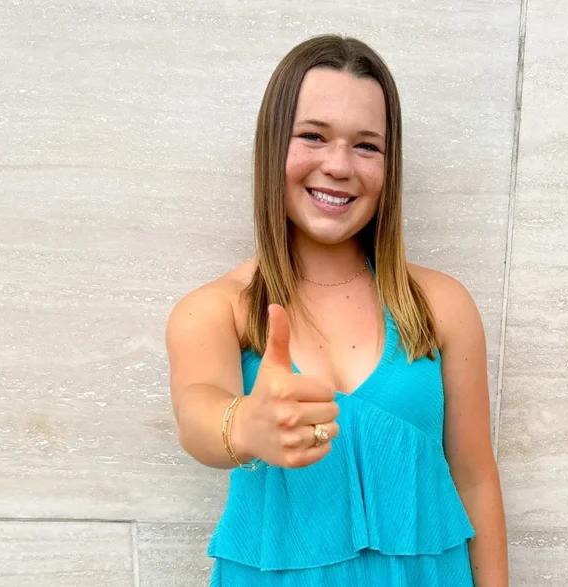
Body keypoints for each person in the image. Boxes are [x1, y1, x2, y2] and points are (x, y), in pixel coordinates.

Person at [165, 34, 508, 586]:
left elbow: (475, 478)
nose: (339, 165)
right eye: (313, 136)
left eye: (366, 145)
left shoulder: (441, 306)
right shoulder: (216, 308)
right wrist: (243, 426)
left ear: (389, 165)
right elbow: (197, 413)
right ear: (273, 145)